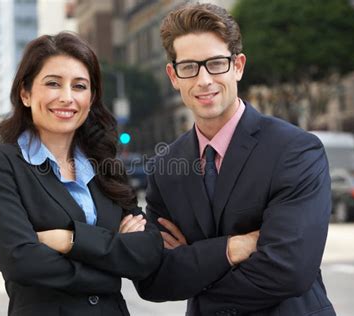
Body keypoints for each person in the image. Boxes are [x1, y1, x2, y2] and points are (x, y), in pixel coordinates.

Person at [135, 3, 335, 316]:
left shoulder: (295, 151)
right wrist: (234, 248)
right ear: (174, 76)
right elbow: (153, 279)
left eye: (216, 63)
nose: (203, 80)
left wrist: (194, 264)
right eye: (189, 67)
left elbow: (289, 270)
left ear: (238, 66)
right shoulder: (166, 167)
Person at [0, 32, 163, 316]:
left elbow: (146, 251)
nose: (67, 98)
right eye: (53, 84)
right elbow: (21, 261)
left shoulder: (105, 165)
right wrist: (111, 271)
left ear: (92, 97)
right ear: (25, 93)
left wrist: (69, 240)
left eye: (80, 86)